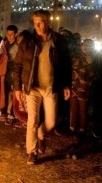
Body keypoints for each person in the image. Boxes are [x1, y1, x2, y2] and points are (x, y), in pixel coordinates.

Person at [13, 10, 71, 165]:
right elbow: (18, 66)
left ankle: (40, 135)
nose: (37, 26)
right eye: (35, 22)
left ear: (48, 22)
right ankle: (32, 152)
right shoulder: (28, 42)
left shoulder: (58, 41)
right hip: (33, 87)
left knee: (51, 122)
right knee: (32, 120)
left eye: (40, 22)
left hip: (51, 87)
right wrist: (17, 88)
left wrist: (66, 85)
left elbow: (65, 65)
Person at [0, 25, 19, 125]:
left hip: (13, 72)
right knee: (3, 92)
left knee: (12, 95)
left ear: (16, 34)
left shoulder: (17, 46)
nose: (9, 36)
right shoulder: (4, 43)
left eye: (11, 34)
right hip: (4, 72)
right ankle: (3, 113)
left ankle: (11, 114)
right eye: (8, 34)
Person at [69, 39, 95, 135]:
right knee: (73, 109)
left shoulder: (94, 59)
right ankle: (72, 128)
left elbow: (95, 76)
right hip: (74, 88)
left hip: (84, 90)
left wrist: (91, 64)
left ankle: (82, 129)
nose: (85, 47)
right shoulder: (75, 58)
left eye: (88, 45)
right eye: (84, 45)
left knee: (83, 110)